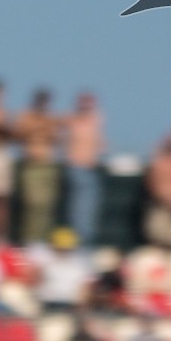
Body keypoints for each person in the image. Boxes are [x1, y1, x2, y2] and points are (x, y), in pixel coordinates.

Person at [62, 91, 103, 248]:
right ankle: (77, 245)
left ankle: (85, 244)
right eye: (84, 102)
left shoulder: (95, 120)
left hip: (91, 170)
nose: (87, 106)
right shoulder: (72, 120)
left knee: (90, 213)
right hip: (76, 169)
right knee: (79, 213)